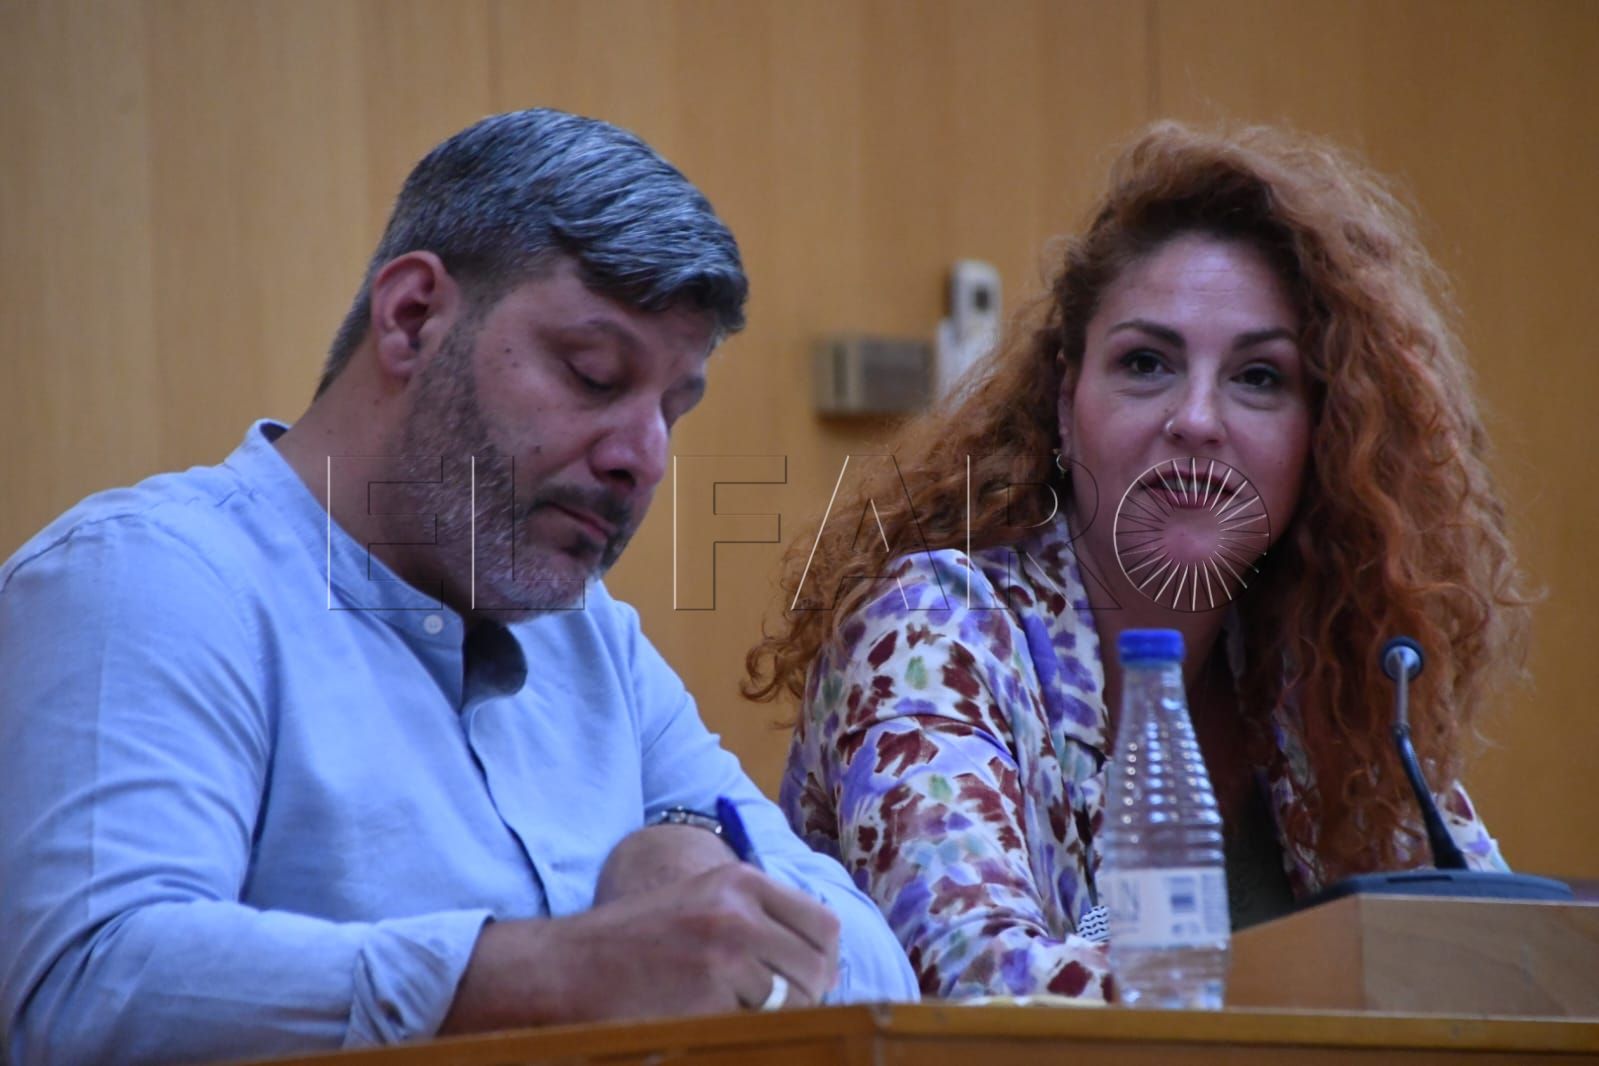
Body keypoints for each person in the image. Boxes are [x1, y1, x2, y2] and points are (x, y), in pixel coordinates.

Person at [0, 108, 917, 1064]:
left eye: (672, 411)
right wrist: (558, 975)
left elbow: (875, 974)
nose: (643, 459)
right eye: (594, 375)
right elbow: (86, 992)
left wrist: (687, 842)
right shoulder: (148, 581)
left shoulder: (591, 640)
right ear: (412, 319)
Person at [744, 122, 1531, 1000]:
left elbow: (1492, 965)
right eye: (1146, 363)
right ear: (1065, 401)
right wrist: (1329, 1005)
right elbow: (980, 984)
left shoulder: (1325, 673)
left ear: (1326, 435)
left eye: (1258, 377)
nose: (1196, 419)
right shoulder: (932, 630)